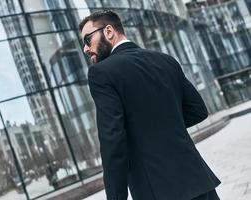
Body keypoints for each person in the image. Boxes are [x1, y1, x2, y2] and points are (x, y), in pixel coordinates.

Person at [79, 10, 221, 200]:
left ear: (109, 31)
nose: (85, 49)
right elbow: (198, 111)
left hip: (158, 191)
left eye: (88, 40)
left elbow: (112, 140)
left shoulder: (101, 73)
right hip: (199, 182)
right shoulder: (166, 60)